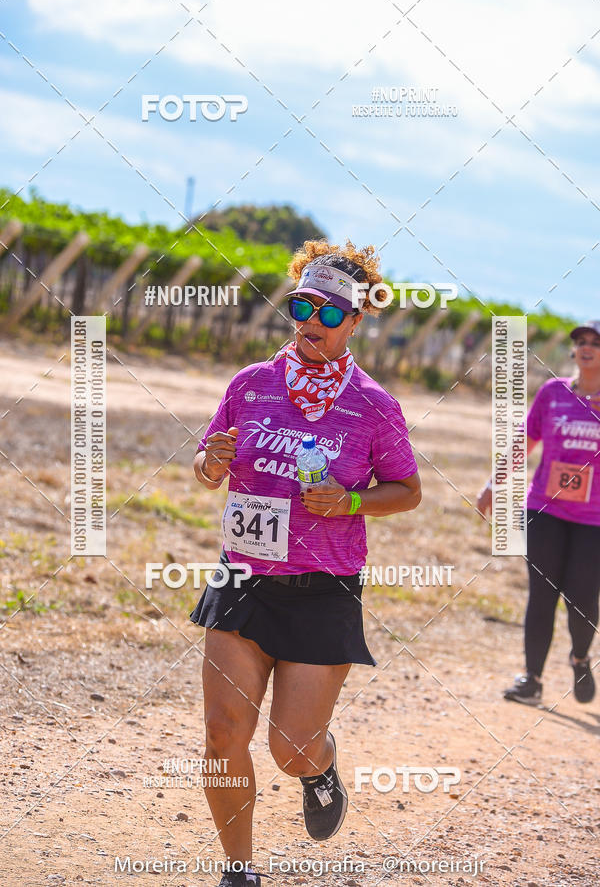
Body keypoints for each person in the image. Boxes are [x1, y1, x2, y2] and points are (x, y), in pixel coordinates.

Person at [191, 239, 422, 887]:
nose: (310, 323)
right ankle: (239, 871)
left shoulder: (375, 407)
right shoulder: (250, 384)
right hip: (242, 578)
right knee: (221, 733)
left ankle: (320, 768)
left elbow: (408, 491)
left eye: (328, 314)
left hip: (322, 589)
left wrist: (350, 499)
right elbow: (208, 470)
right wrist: (211, 459)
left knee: (289, 747)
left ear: (355, 321)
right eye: (301, 306)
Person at [477, 320, 600, 706]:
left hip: (593, 521)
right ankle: (532, 679)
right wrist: (495, 484)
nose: (587, 347)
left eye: (596, 342)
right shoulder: (553, 393)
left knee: (582, 599)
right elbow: (524, 441)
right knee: (541, 595)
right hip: (543, 510)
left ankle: (580, 657)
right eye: (581, 341)